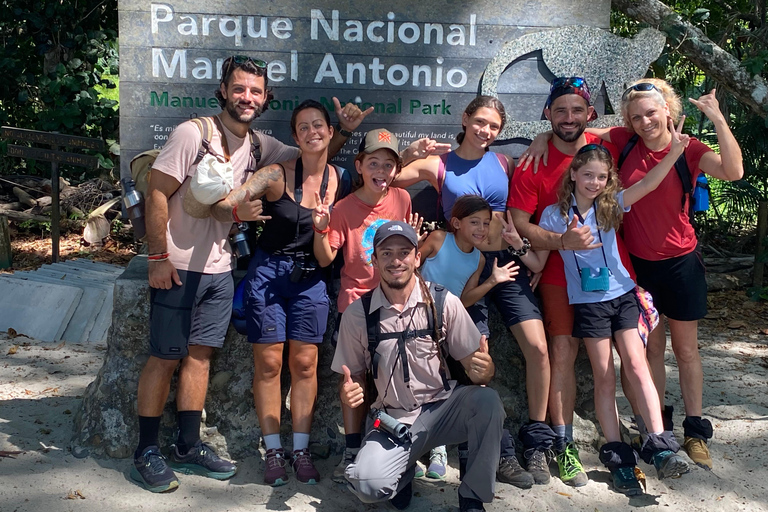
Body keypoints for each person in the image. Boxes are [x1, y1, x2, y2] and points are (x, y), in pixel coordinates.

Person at [134, 55, 304, 493]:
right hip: (177, 266)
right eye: (240, 88)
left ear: (266, 98)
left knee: (200, 357)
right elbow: (157, 192)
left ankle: (187, 445)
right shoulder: (193, 133)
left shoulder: (261, 146)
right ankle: (146, 450)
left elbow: (313, 153)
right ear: (225, 90)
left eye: (256, 91)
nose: (247, 97)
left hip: (220, 269)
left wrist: (339, 129)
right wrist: (157, 258)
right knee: (165, 357)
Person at [584, 79, 743, 469]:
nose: (644, 121)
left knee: (686, 350)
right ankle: (660, 429)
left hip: (681, 263)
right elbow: (580, 132)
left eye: (651, 113)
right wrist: (539, 142)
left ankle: (695, 430)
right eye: (636, 116)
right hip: (639, 267)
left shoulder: (689, 149)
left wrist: (718, 118)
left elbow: (734, 172)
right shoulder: (625, 142)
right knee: (652, 349)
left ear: (667, 110)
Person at [209, 98, 368, 486]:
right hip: (269, 275)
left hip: (313, 279)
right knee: (268, 365)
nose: (313, 132)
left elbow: (386, 181)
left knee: (306, 365)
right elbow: (222, 205)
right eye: (303, 127)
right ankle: (274, 450)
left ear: (331, 133)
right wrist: (235, 213)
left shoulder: (343, 179)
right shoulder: (275, 176)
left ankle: (300, 447)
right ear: (294, 136)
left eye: (319, 126)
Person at [395, 96, 550, 486]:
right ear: (465, 120)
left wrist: (545, 135)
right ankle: (494, 453)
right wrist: (408, 151)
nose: (486, 131)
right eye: (480, 122)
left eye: (494, 127)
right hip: (467, 271)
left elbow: (582, 142)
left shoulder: (504, 162)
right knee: (477, 360)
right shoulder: (439, 164)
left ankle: (538, 441)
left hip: (507, 264)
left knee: (539, 347)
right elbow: (386, 177)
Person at [530, 137, 691, 494]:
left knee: (636, 365)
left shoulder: (611, 204)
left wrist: (676, 152)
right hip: (588, 304)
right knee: (604, 377)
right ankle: (620, 459)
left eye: (601, 177)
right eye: (587, 175)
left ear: (608, 180)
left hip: (623, 295)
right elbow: (538, 259)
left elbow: (649, 184)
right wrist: (517, 242)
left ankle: (661, 446)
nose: (594, 182)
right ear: (573, 174)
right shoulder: (553, 215)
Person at [509, 76, 637, 487]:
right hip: (558, 275)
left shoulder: (607, 147)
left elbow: (650, 124)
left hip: (613, 278)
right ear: (547, 113)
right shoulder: (533, 162)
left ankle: (656, 435)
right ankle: (561, 445)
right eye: (559, 111)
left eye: (576, 110)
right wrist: (561, 242)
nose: (568, 118)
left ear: (590, 114)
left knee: (634, 352)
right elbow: (520, 223)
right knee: (562, 351)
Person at [333, 221, 504, 512]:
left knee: (487, 401)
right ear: (374, 260)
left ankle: (473, 497)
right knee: (367, 486)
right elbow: (354, 377)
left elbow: (480, 371)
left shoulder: (442, 301)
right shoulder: (357, 314)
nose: (396, 261)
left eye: (404, 252)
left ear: (417, 257)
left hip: (444, 408)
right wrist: (349, 392)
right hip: (393, 420)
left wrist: (485, 368)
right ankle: (403, 473)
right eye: (386, 253)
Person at [310, 128, 416, 483]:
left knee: (391, 377)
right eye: (374, 163)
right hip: (355, 305)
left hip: (394, 304)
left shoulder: (402, 199)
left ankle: (393, 447)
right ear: (359, 165)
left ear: (396, 170)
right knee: (353, 379)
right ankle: (353, 447)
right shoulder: (343, 208)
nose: (381, 171)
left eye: (389, 164)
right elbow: (326, 260)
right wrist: (321, 230)